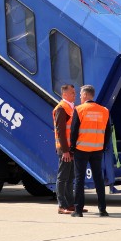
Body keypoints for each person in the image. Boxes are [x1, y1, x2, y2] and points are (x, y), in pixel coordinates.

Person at [69, 85, 111, 218]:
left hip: (81, 149)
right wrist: (102, 147)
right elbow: (108, 132)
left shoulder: (79, 109)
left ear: (86, 95)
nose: (80, 97)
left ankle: (78, 210)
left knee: (80, 179)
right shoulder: (104, 110)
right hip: (97, 149)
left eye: (81, 94)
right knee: (99, 179)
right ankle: (102, 210)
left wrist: (72, 148)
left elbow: (74, 131)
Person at [52, 84, 76, 214]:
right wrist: (65, 150)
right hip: (65, 150)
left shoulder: (71, 108)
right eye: (72, 92)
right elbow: (60, 131)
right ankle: (61, 205)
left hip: (71, 149)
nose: (75, 94)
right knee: (62, 178)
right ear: (65, 94)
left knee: (70, 178)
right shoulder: (61, 108)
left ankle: (70, 204)